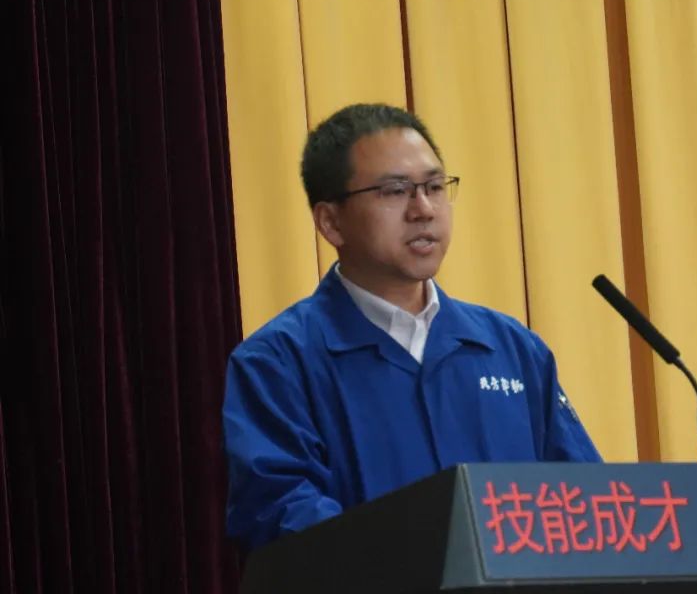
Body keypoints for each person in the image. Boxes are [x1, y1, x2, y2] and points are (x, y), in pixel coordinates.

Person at [222, 103, 601, 551]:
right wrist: (414, 562)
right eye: (394, 191)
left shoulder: (512, 349)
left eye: (435, 187)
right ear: (331, 222)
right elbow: (281, 510)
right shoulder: (278, 363)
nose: (423, 209)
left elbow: (583, 500)